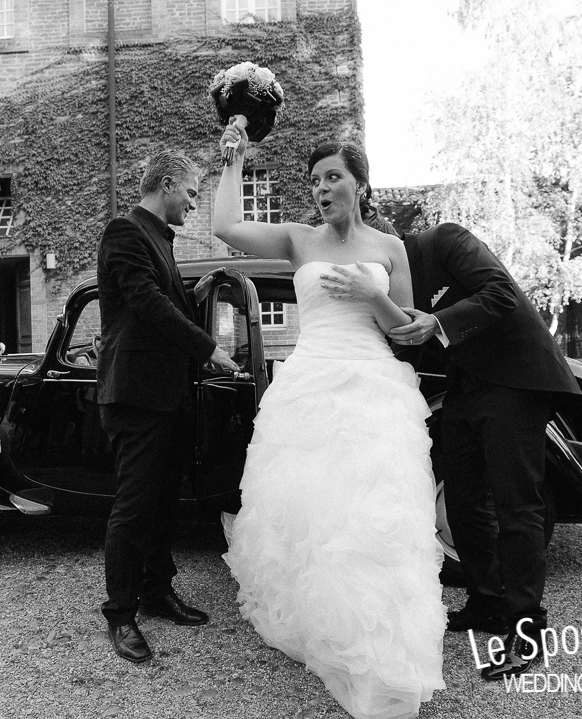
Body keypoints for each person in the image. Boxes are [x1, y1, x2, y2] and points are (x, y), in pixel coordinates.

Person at [213, 127, 445, 719]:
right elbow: (225, 226)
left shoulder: (390, 249)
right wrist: (234, 160)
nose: (321, 188)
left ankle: (376, 642)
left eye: (333, 177)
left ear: (360, 184)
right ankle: (323, 625)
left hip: (372, 387)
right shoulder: (298, 239)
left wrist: (372, 294)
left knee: (372, 517)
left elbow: (407, 333)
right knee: (315, 511)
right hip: (310, 386)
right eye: (315, 180)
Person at [332, 219, 582, 681]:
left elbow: (501, 294)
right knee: (464, 500)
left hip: (517, 379)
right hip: (466, 387)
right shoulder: (393, 287)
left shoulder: (445, 241)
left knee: (516, 504)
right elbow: (407, 346)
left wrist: (438, 321)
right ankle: (487, 602)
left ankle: (528, 629)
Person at [97, 149, 239, 664]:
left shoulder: (160, 238)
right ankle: (120, 613)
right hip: (135, 395)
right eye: (192, 192)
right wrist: (208, 348)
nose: (194, 203)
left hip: (167, 394)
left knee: (162, 504)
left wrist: (195, 294)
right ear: (165, 185)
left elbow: (164, 299)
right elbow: (146, 304)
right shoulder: (125, 231)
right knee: (134, 507)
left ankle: (156, 592)